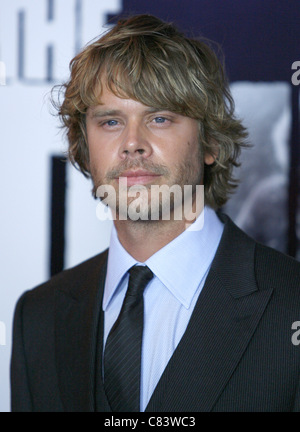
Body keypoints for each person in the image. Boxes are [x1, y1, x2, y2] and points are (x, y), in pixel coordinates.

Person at [11, 14, 300, 412]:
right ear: (83, 147)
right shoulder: (38, 318)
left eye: (160, 118)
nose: (133, 143)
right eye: (110, 121)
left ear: (211, 141)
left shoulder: (292, 305)